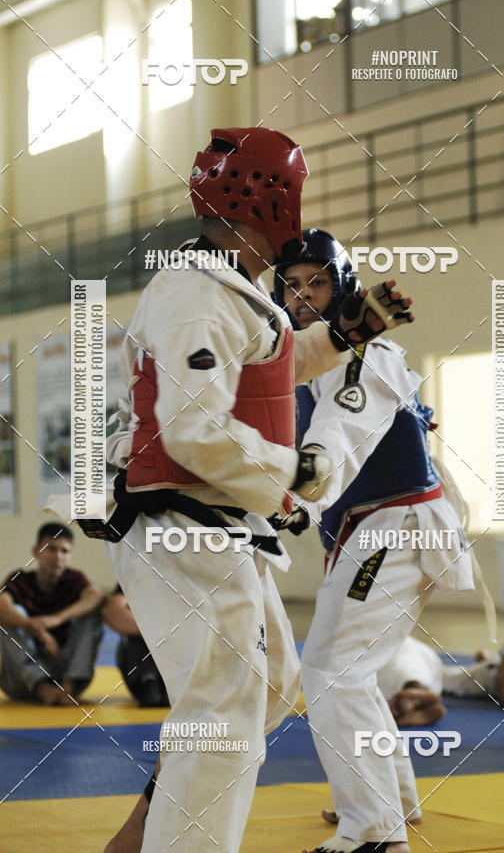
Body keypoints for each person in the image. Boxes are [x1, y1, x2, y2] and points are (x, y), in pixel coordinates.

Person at [78, 128, 414, 853]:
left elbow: (264, 379)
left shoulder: (235, 290)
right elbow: (194, 432)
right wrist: (292, 473)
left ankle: (154, 816)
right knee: (224, 715)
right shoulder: (195, 292)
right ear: (271, 200)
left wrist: (347, 333)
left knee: (266, 688)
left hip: (217, 524)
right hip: (179, 523)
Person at [273, 228, 474, 853]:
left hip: (395, 527)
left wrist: (297, 494)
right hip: (377, 529)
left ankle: (373, 831)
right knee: (349, 670)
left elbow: (338, 437)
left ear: (343, 289)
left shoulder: (365, 357)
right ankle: (394, 802)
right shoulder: (312, 366)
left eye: (316, 283)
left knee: (330, 670)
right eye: (291, 285)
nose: (302, 296)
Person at [0, 522, 104, 706]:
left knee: (92, 613)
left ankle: (69, 688)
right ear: (36, 551)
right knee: (10, 615)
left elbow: (97, 596)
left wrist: (56, 619)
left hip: (63, 673)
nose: (58, 557)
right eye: (51, 549)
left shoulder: (74, 580)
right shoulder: (20, 579)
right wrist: (36, 629)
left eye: (65, 551)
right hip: (21, 679)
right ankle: (43, 689)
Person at [104, 586, 169, 707]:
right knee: (135, 631)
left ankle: (173, 682)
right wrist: (158, 634)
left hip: (181, 659)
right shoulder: (137, 578)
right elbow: (114, 612)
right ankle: (147, 679)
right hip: (144, 653)